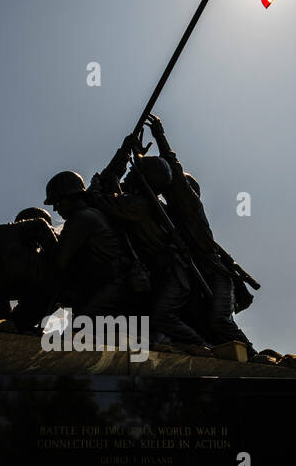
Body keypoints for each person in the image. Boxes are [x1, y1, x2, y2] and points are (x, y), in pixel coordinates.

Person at [87, 137, 212, 354]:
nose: (130, 176)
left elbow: (102, 199)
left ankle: (202, 345)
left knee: (161, 316)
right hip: (161, 274)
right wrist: (127, 152)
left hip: (173, 275)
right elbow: (117, 184)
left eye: (134, 173)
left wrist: (95, 186)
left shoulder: (137, 205)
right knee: (149, 316)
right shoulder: (150, 204)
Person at [144, 114, 255, 349]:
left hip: (216, 275)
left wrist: (160, 137)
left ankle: (253, 357)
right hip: (196, 276)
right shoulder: (170, 213)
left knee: (220, 322)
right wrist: (138, 156)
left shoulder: (191, 207)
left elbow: (172, 166)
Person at [44, 170, 144, 317]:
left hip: (117, 284)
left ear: (72, 197)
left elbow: (59, 262)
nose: (55, 209)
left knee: (82, 322)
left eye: (58, 202)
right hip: (110, 282)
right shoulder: (94, 212)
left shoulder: (80, 219)